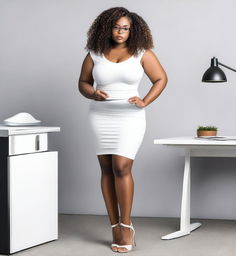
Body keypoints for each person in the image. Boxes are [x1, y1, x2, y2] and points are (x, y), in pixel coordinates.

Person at [78, 7, 168, 253]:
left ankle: (126, 226)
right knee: (106, 168)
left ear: (133, 29)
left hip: (130, 117)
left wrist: (145, 101)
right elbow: (83, 83)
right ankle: (114, 226)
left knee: (121, 166)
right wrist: (93, 93)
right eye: (116, 26)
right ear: (107, 27)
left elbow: (161, 79)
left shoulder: (142, 53)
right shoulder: (95, 53)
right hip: (101, 116)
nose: (120, 32)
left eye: (125, 28)